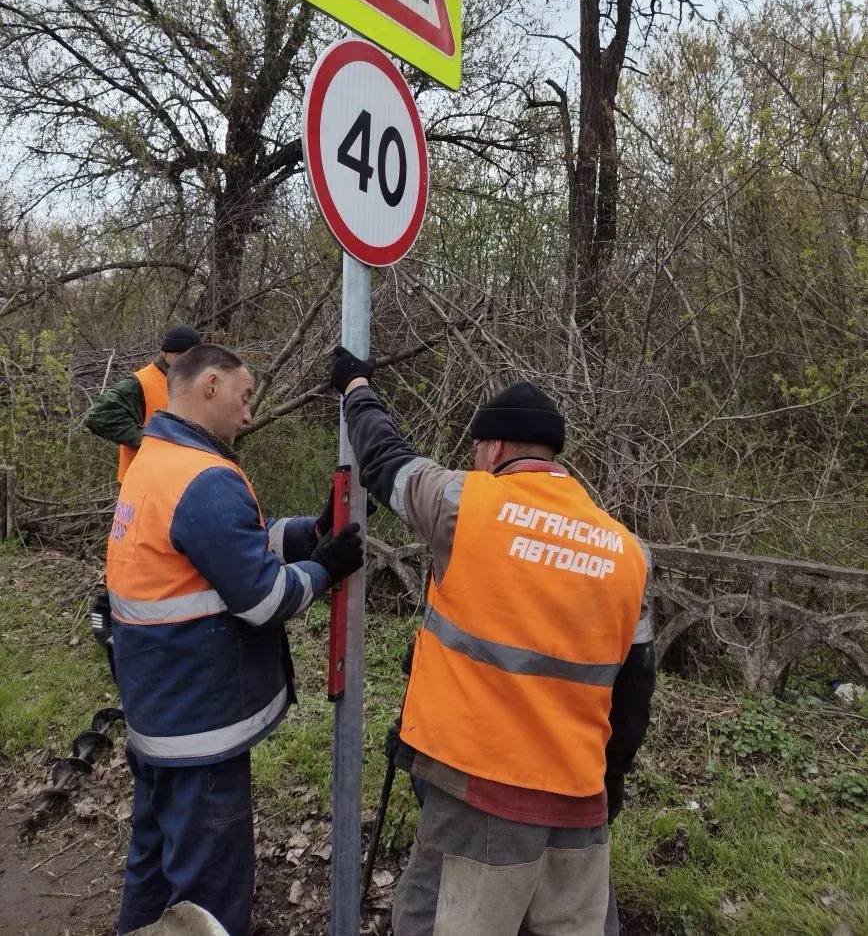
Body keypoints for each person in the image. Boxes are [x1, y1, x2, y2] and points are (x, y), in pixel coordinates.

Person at [330, 347, 656, 936]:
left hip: (479, 792)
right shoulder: (627, 552)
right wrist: (609, 782)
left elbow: (385, 463)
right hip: (580, 800)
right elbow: (636, 688)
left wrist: (356, 388)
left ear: (498, 448)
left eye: (478, 449)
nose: (475, 459)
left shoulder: (466, 504)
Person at [107, 343, 364, 936]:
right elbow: (264, 598)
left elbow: (228, 549)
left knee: (151, 868)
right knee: (208, 895)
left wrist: (312, 531)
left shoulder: (155, 460)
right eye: (246, 398)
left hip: (158, 717)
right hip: (202, 730)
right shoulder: (204, 479)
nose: (250, 414)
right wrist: (327, 568)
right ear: (211, 385)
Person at [85, 324, 203, 483]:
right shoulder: (139, 383)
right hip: (140, 481)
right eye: (179, 355)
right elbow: (98, 416)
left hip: (178, 481)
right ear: (164, 352)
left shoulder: (194, 383)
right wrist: (147, 439)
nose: (186, 361)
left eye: (191, 357)